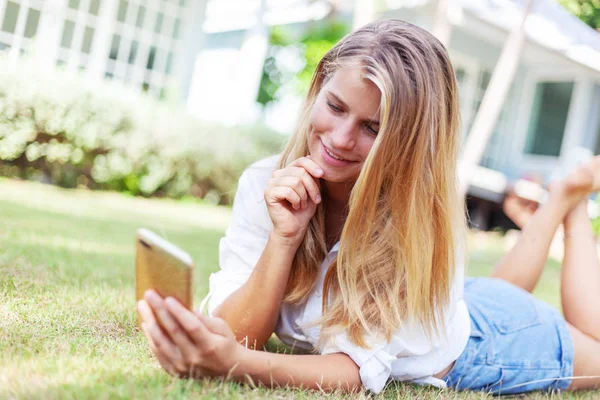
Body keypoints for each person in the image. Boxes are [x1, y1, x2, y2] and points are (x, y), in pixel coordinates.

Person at [136, 19, 600, 395]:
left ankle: (571, 202)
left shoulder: (412, 226)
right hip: (455, 306)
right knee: (492, 295)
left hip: (492, 343)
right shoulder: (267, 181)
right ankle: (562, 196)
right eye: (335, 107)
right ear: (318, 86)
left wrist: (238, 366)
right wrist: (284, 238)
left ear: (408, 143)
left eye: (372, 129)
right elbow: (240, 332)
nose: (339, 140)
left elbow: (357, 373)